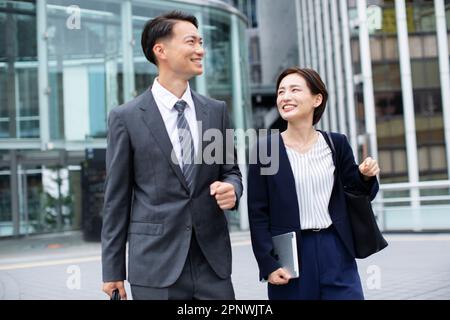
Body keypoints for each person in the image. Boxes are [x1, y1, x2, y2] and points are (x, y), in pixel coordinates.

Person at [101, 11, 242, 300]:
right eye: (191, 42)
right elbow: (116, 198)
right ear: (160, 50)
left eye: (201, 42)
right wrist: (112, 270)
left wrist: (233, 189)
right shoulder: (126, 118)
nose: (200, 50)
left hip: (212, 265)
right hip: (155, 267)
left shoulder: (216, 111)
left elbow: (231, 171)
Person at [247, 67, 380, 300]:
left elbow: (358, 192)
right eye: (281, 92)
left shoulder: (336, 144)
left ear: (317, 99)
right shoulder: (266, 150)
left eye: (294, 90)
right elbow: (258, 213)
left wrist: (366, 176)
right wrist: (267, 263)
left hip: (336, 247)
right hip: (290, 255)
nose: (285, 97)